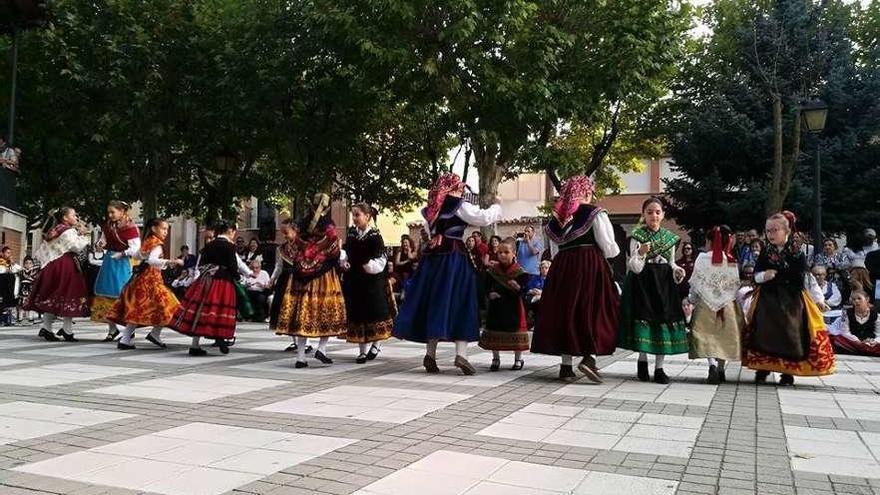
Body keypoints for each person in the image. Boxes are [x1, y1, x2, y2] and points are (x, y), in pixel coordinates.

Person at [393, 173, 502, 375]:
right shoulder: (457, 204)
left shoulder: (431, 208)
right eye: (460, 186)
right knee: (462, 301)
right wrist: (496, 205)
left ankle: (430, 355)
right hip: (454, 257)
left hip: (433, 259)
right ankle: (461, 354)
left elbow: (429, 230)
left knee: (435, 301)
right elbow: (482, 218)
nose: (463, 189)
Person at [531, 176, 620, 382]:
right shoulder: (594, 213)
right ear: (587, 192)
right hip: (589, 264)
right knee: (593, 308)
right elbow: (609, 247)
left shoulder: (556, 220)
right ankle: (589, 358)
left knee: (566, 312)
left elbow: (553, 252)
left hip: (562, 268)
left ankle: (566, 367)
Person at [743, 211, 835, 385]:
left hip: (792, 299)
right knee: (764, 331)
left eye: (775, 230)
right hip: (768, 299)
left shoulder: (797, 253)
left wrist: (819, 299)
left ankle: (788, 372)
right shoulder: (765, 252)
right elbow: (755, 275)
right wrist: (764, 276)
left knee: (791, 333)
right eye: (768, 231)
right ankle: (763, 367)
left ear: (786, 231)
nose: (770, 234)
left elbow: (807, 277)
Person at [269, 195, 347, 368]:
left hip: (301, 276)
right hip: (324, 276)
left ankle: (301, 357)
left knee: (302, 313)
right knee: (327, 312)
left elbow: (294, 245)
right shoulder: (328, 224)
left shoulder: (302, 223)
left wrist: (304, 257)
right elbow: (334, 248)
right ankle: (322, 348)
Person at [618, 197, 688, 384]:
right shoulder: (637, 236)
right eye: (649, 212)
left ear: (663, 215)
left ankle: (659, 369)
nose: (654, 216)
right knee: (645, 319)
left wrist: (677, 271)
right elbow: (633, 266)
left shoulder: (670, 238)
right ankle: (642, 361)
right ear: (643, 215)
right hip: (643, 282)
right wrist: (641, 253)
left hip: (664, 283)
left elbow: (671, 262)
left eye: (657, 212)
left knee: (663, 320)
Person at [169, 221, 254, 355]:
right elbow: (233, 266)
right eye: (234, 231)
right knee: (219, 310)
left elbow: (201, 263)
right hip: (223, 282)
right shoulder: (230, 246)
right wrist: (240, 278)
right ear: (230, 231)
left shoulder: (209, 245)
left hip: (205, 280)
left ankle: (195, 345)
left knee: (201, 310)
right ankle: (219, 336)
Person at [106, 218, 183, 350]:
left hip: (141, 280)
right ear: (154, 228)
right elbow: (153, 261)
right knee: (171, 306)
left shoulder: (147, 241)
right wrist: (172, 261)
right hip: (152, 281)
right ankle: (153, 334)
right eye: (163, 229)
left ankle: (127, 339)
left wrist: (122, 254)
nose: (166, 232)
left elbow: (137, 255)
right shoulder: (157, 244)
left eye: (167, 229)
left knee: (139, 309)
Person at [686, 225, 745, 384]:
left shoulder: (702, 259)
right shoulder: (731, 260)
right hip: (727, 306)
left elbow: (696, 283)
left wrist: (691, 299)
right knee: (724, 337)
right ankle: (720, 368)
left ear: (710, 241)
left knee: (706, 336)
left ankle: (711, 364)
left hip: (705, 304)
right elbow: (734, 286)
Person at [23, 207, 91, 341]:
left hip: (52, 265)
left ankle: (47, 328)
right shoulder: (69, 231)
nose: (76, 217)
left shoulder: (55, 229)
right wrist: (83, 235)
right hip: (65, 265)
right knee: (69, 295)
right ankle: (66, 330)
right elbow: (76, 247)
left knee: (53, 296)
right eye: (74, 215)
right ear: (65, 218)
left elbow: (44, 250)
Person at [341, 203, 396, 363]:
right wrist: (345, 262)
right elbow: (347, 253)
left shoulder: (375, 236)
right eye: (353, 215)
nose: (354, 218)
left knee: (375, 313)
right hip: (355, 280)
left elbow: (381, 259)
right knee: (358, 314)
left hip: (372, 281)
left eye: (357, 215)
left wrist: (368, 265)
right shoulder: (351, 234)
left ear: (367, 216)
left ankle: (376, 343)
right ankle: (362, 351)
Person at [90, 201, 141, 341]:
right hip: (110, 261)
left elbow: (136, 248)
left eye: (113, 212)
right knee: (106, 294)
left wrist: (123, 254)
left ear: (122, 211)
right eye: (109, 212)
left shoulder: (130, 227)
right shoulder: (108, 226)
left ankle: (126, 329)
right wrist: (100, 245)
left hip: (124, 262)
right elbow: (104, 240)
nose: (110, 215)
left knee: (120, 294)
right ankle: (113, 330)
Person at [479, 238, 529, 370]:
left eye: (506, 252)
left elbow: (525, 292)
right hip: (496, 307)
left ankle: (518, 359)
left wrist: (518, 287)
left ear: (514, 254)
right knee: (494, 330)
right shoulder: (492, 271)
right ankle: (496, 359)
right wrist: (490, 294)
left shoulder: (521, 272)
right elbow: (485, 287)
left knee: (516, 333)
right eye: (500, 252)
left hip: (514, 308)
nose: (502, 255)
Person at [828, 290, 880, 357]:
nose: (856, 301)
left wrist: (873, 341)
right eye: (854, 299)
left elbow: (878, 334)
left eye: (859, 298)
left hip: (869, 342)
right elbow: (845, 331)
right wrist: (857, 341)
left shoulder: (876, 315)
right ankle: (864, 350)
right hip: (853, 342)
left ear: (867, 299)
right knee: (837, 339)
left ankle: (862, 350)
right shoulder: (847, 313)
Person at [17, 256, 38, 324]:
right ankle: (20, 318)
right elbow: (18, 281)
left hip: (30, 289)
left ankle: (30, 318)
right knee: (21, 304)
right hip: (22, 289)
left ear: (32, 264)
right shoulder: (21, 272)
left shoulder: (34, 272)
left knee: (30, 303)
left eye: (30, 263)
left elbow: (36, 281)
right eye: (26, 263)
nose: (28, 265)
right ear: (23, 264)